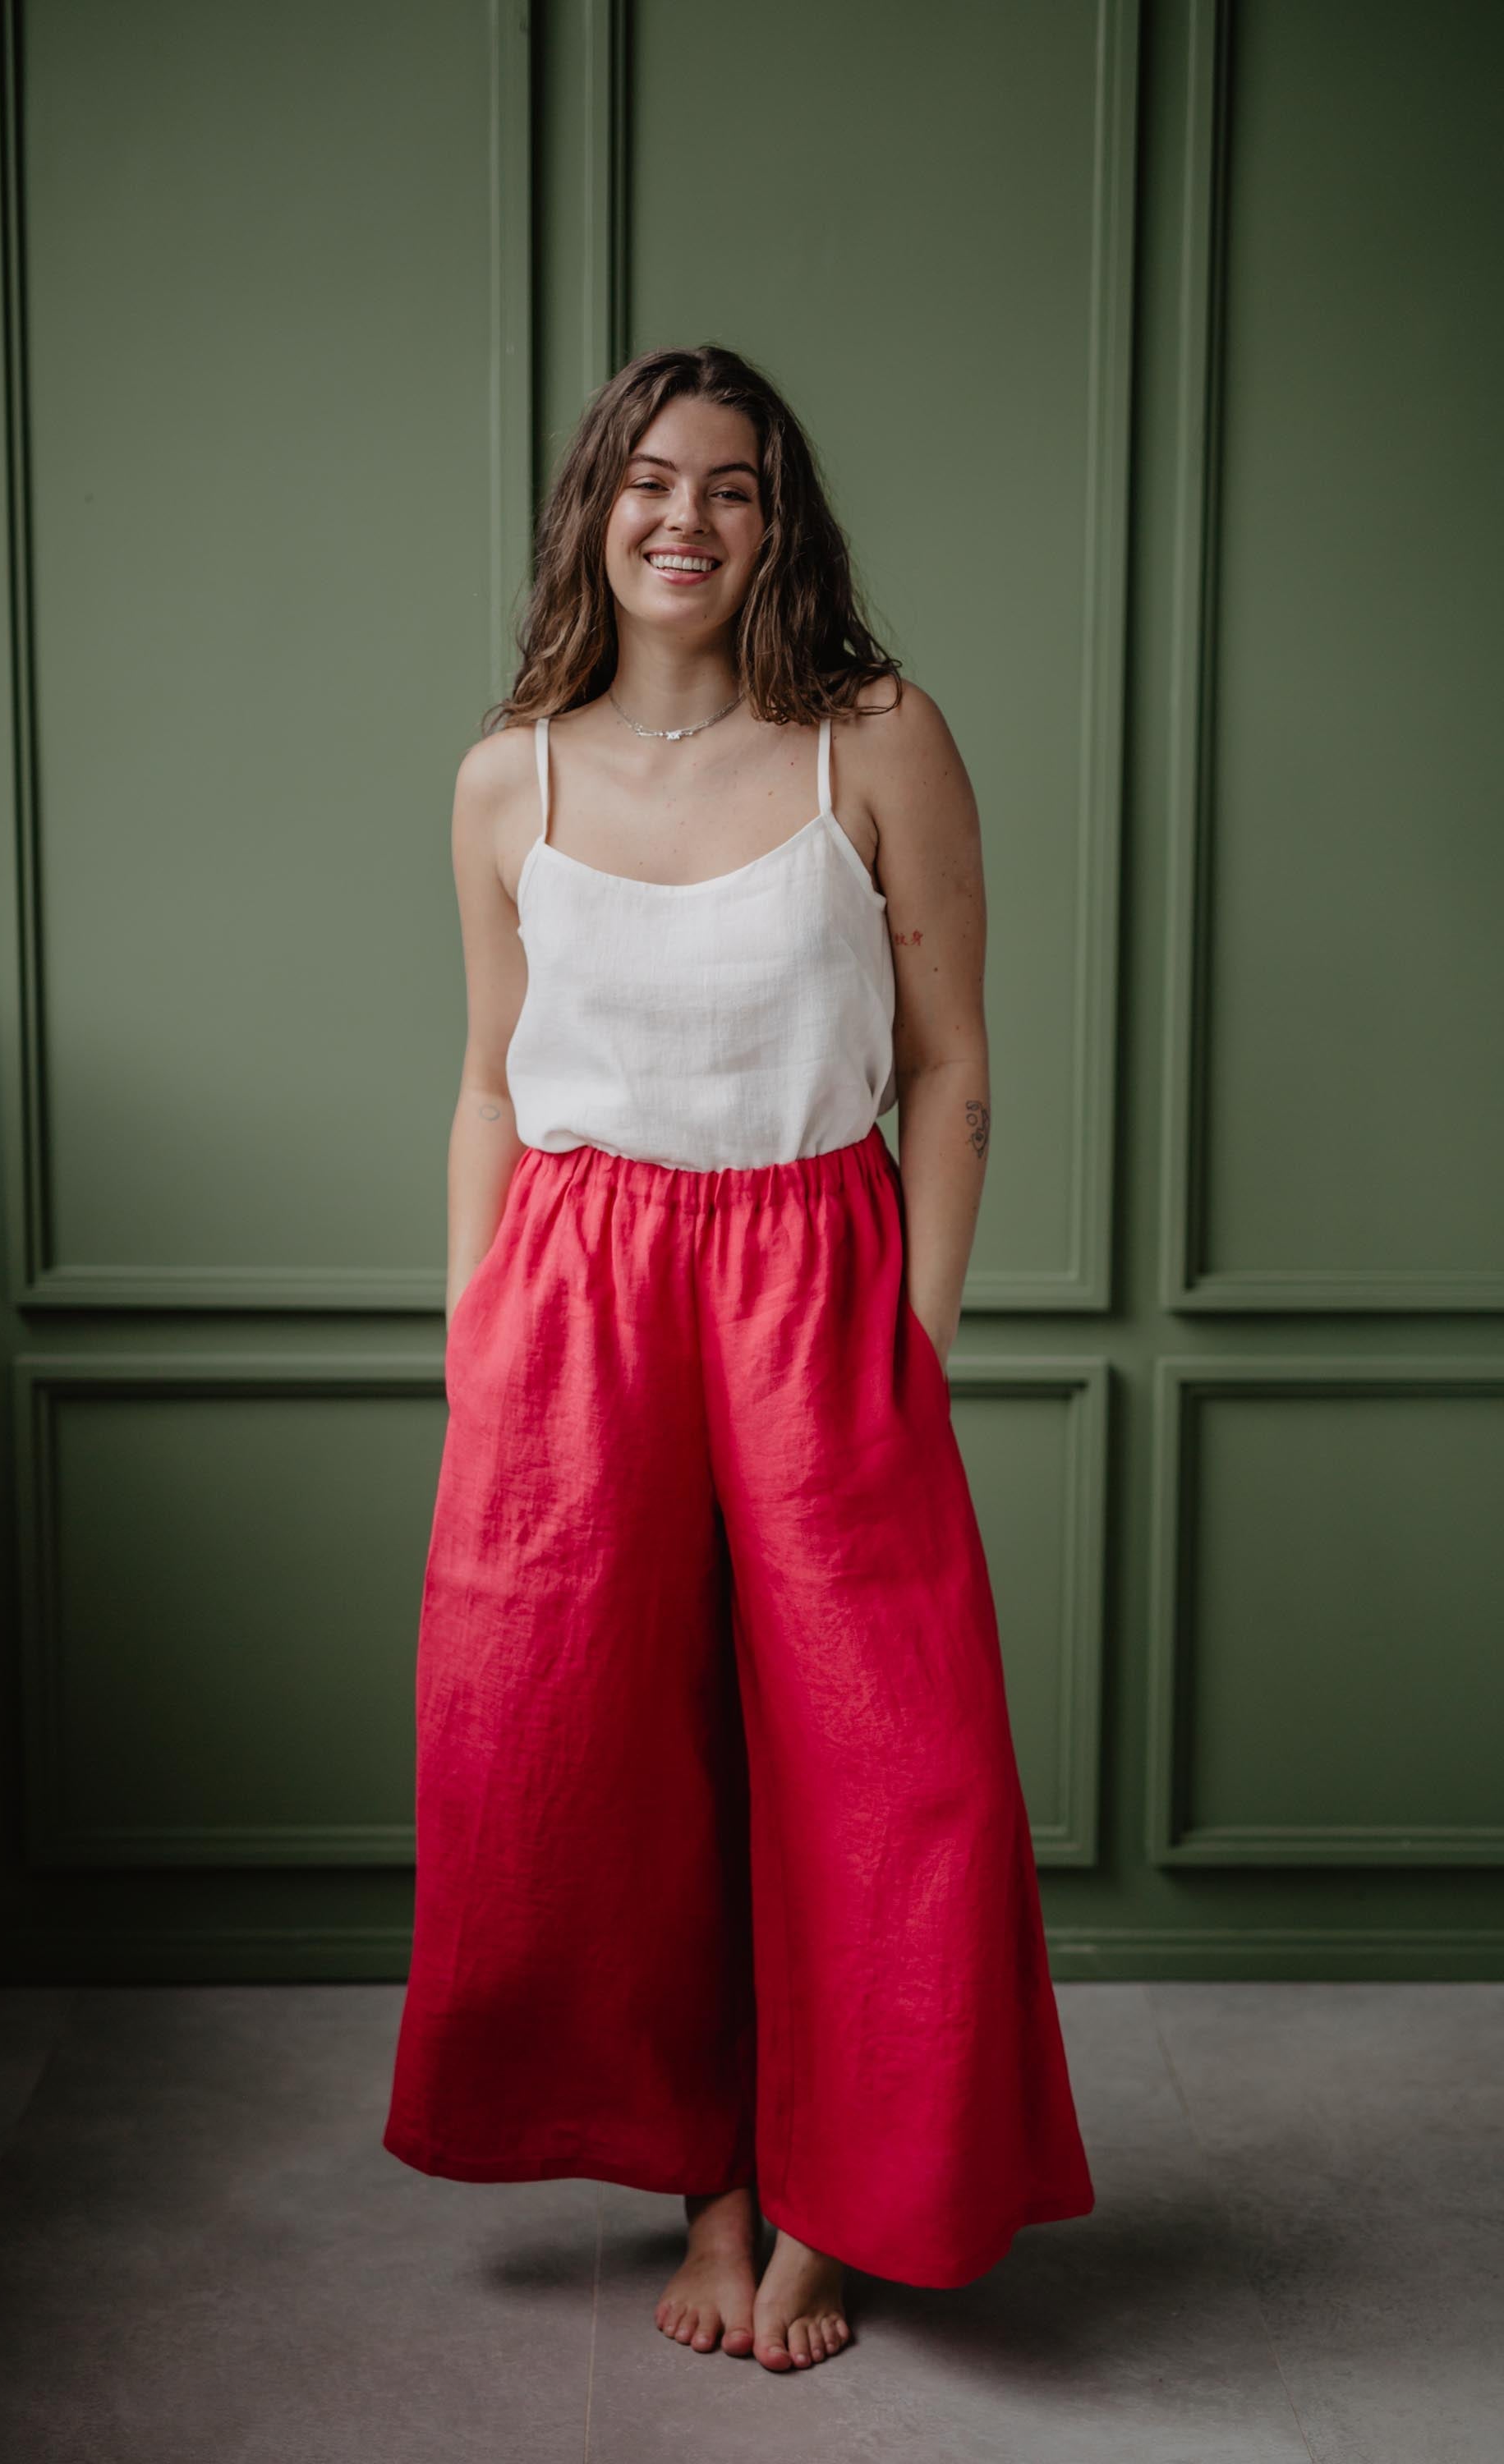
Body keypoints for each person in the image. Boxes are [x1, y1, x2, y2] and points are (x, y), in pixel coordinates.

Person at [383, 342, 1093, 2374]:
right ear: (591, 512)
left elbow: (952, 1071)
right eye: (646, 481)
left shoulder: (873, 737)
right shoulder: (504, 776)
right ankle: (710, 2174)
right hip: (573, 1287)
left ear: (780, 524)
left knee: (884, 1765)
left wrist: (914, 1333)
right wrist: (477, 1344)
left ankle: (836, 2204)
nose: (683, 519)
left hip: (811, 1271)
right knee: (602, 1758)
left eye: (732, 487)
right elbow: (487, 1079)